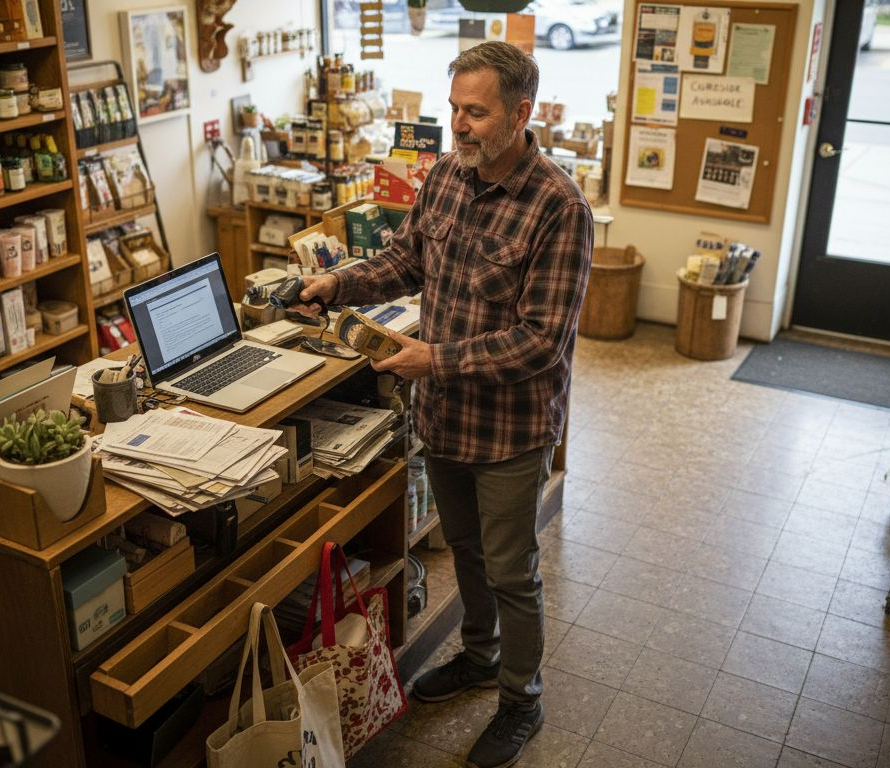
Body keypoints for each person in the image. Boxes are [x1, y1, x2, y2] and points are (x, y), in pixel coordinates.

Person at [298, 41, 593, 768]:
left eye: (476, 112)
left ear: (520, 114)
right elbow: (406, 261)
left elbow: (540, 342)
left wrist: (435, 358)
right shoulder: (446, 177)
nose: (457, 125)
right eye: (453, 108)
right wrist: (340, 283)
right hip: (445, 416)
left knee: (511, 569)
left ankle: (522, 700)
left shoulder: (559, 207)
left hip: (510, 430)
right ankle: (481, 655)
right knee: (463, 547)